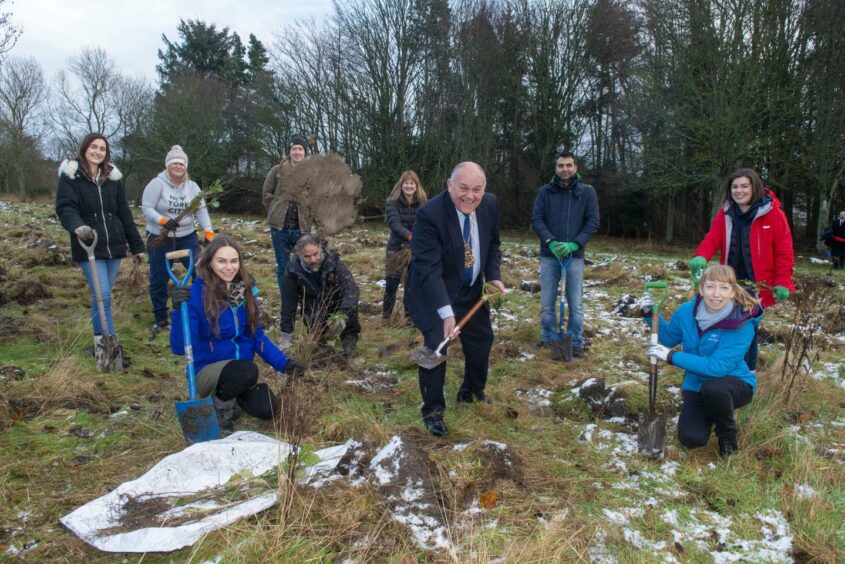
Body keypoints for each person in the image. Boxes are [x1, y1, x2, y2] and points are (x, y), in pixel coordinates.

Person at [405, 162, 505, 437]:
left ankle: (471, 392)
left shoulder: (490, 205)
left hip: (471, 290)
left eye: (477, 189)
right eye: (463, 188)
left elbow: (493, 244)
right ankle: (433, 411)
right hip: (433, 293)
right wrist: (446, 314)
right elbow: (428, 268)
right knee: (437, 348)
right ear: (450, 185)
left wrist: (493, 275)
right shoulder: (430, 214)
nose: (470, 196)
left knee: (482, 340)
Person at [170, 235, 305, 432]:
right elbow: (180, 347)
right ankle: (219, 408)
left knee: (267, 408)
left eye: (234, 261)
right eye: (221, 261)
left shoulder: (244, 292)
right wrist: (177, 310)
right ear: (209, 263)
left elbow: (256, 337)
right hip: (207, 370)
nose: (229, 267)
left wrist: (284, 363)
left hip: (241, 372)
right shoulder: (196, 294)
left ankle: (231, 399)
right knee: (246, 371)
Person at [643, 265, 763, 457]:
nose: (716, 294)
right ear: (700, 288)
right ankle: (715, 410)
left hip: (734, 383)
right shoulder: (686, 311)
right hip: (696, 385)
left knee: (715, 389)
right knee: (692, 439)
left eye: (724, 288)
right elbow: (667, 339)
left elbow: (717, 367)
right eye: (711, 287)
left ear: (732, 291)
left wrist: (671, 356)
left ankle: (727, 435)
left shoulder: (742, 323)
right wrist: (650, 314)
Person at [690, 168, 794, 369]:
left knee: (746, 328)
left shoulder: (773, 214)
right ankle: (726, 367)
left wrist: (783, 282)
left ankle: (747, 374)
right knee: (727, 326)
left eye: (744, 186)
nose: (739, 191)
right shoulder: (726, 212)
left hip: (759, 285)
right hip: (730, 283)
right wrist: (701, 256)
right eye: (735, 187)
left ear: (754, 187)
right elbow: (713, 238)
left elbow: (784, 251)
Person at [55, 133, 145, 357]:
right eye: (93, 147)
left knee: (101, 296)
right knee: (103, 294)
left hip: (114, 245)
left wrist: (137, 246)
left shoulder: (112, 179)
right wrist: (78, 227)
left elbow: (123, 213)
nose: (97, 151)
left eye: (102, 149)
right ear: (85, 149)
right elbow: (66, 207)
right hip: (89, 244)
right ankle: (109, 346)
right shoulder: (71, 177)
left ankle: (100, 346)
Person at [530, 150, 600, 357]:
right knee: (547, 303)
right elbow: (537, 219)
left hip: (574, 257)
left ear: (575, 167)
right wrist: (550, 241)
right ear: (556, 168)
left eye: (569, 165)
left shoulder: (587, 192)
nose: (565, 169)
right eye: (561, 165)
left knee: (575, 303)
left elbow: (592, 221)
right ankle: (549, 338)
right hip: (549, 256)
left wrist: (575, 244)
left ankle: (575, 342)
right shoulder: (545, 192)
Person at [141, 145, 215, 334]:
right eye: (174, 163)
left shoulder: (192, 186)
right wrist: (163, 220)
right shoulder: (157, 184)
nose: (178, 166)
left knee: (201, 270)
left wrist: (208, 231)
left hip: (187, 236)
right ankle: (160, 318)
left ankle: (201, 309)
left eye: (181, 164)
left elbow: (200, 209)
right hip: (159, 237)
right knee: (159, 277)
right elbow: (147, 207)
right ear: (168, 165)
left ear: (186, 167)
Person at [279, 234, 361, 359]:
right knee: (318, 336)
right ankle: (320, 339)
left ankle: (349, 340)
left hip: (336, 302)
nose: (312, 260)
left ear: (320, 249)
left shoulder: (333, 263)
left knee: (350, 312)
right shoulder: (292, 272)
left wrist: (341, 315)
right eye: (307, 256)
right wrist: (286, 336)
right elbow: (288, 304)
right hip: (314, 306)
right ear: (299, 255)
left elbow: (351, 290)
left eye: (315, 254)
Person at [262, 135, 313, 295]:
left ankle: (303, 297)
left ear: (305, 152)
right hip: (280, 228)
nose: (297, 152)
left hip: (302, 229)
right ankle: (287, 299)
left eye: (300, 149)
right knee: (283, 267)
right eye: (294, 149)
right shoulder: (277, 170)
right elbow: (266, 192)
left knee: (304, 266)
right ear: (289, 151)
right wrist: (274, 210)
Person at [382, 170, 428, 320]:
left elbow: (425, 223)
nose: (409, 186)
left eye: (412, 183)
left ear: (417, 185)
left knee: (411, 286)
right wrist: (410, 236)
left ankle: (409, 318)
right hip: (396, 249)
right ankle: (386, 318)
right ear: (401, 185)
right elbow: (394, 224)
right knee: (391, 284)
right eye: (406, 183)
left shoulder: (424, 203)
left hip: (415, 250)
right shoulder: (392, 202)